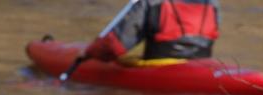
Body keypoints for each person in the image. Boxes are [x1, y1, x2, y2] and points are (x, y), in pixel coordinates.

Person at [83, 0, 220, 62]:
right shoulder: (212, 2)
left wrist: (88, 52)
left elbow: (115, 47)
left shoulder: (151, 1)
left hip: (161, 67)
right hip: (202, 64)